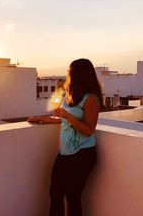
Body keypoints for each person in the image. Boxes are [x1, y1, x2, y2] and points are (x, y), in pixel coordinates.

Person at [28, 58, 104, 216]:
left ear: (79, 74)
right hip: (65, 153)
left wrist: (67, 116)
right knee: (55, 194)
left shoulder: (91, 99)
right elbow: (61, 118)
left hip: (83, 154)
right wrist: (41, 118)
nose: (67, 74)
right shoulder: (70, 95)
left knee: (72, 197)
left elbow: (89, 130)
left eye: (70, 71)